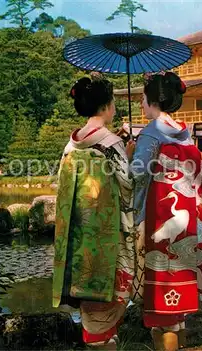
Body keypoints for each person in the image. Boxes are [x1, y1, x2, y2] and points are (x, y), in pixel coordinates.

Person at [52, 74, 137, 350]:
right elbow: (128, 187)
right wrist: (130, 155)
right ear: (107, 106)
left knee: (89, 301)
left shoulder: (70, 146)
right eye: (112, 102)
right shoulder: (111, 144)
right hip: (108, 237)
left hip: (80, 238)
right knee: (109, 299)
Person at [130, 72, 202, 351]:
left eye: (142, 98)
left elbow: (137, 174)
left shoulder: (151, 133)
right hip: (186, 225)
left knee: (160, 313)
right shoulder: (186, 135)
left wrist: (130, 153)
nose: (140, 102)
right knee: (178, 314)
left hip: (155, 224)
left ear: (151, 101)